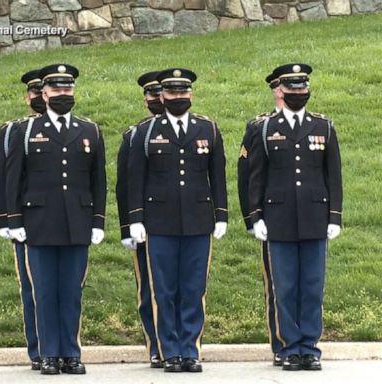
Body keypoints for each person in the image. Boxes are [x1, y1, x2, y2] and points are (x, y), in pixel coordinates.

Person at [6, 64, 107, 375]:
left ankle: (71, 353)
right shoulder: (25, 131)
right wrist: (13, 220)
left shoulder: (89, 130)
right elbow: (13, 179)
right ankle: (49, 353)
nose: (63, 94)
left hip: (77, 221)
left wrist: (98, 221)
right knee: (45, 292)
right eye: (57, 89)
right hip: (39, 223)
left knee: (72, 292)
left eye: (68, 89)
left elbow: (98, 180)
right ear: (45, 93)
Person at [127, 68, 228, 373]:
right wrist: (136, 219)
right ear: (163, 96)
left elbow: (218, 176)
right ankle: (170, 350)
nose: (178, 98)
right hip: (160, 222)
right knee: (164, 290)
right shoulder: (145, 132)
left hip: (198, 221)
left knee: (193, 289)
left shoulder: (207, 129)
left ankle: (191, 349)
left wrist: (221, 215)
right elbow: (136, 179)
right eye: (172, 93)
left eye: (183, 93)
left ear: (191, 95)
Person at [247, 63, 342, 371]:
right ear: (282, 92)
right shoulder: (265, 128)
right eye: (293, 89)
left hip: (315, 216)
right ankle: (290, 348)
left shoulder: (323, 126)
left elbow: (334, 176)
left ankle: (310, 348)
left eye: (303, 89)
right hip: (279, 217)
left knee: (313, 286)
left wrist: (334, 217)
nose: (299, 93)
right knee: (285, 287)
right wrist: (256, 216)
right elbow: (256, 177)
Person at [116, 71, 165, 368]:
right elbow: (125, 186)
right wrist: (127, 227)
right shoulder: (135, 135)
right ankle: (156, 346)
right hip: (145, 225)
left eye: (161, 94)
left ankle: (181, 344)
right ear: (145, 100)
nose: (157, 99)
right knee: (148, 289)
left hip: (175, 221)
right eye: (151, 95)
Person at [0, 69, 46, 370]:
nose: (39, 98)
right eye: (34, 93)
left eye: (44, 92)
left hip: (57, 219)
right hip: (25, 222)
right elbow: (3, 178)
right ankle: (38, 350)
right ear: (27, 97)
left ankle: (60, 348)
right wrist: (5, 219)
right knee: (31, 288)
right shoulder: (11, 130)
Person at [237, 70, 284, 367]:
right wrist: (253, 217)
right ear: (275, 90)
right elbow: (247, 175)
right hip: (272, 215)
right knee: (277, 285)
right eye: (283, 86)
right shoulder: (258, 126)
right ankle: (280, 343)